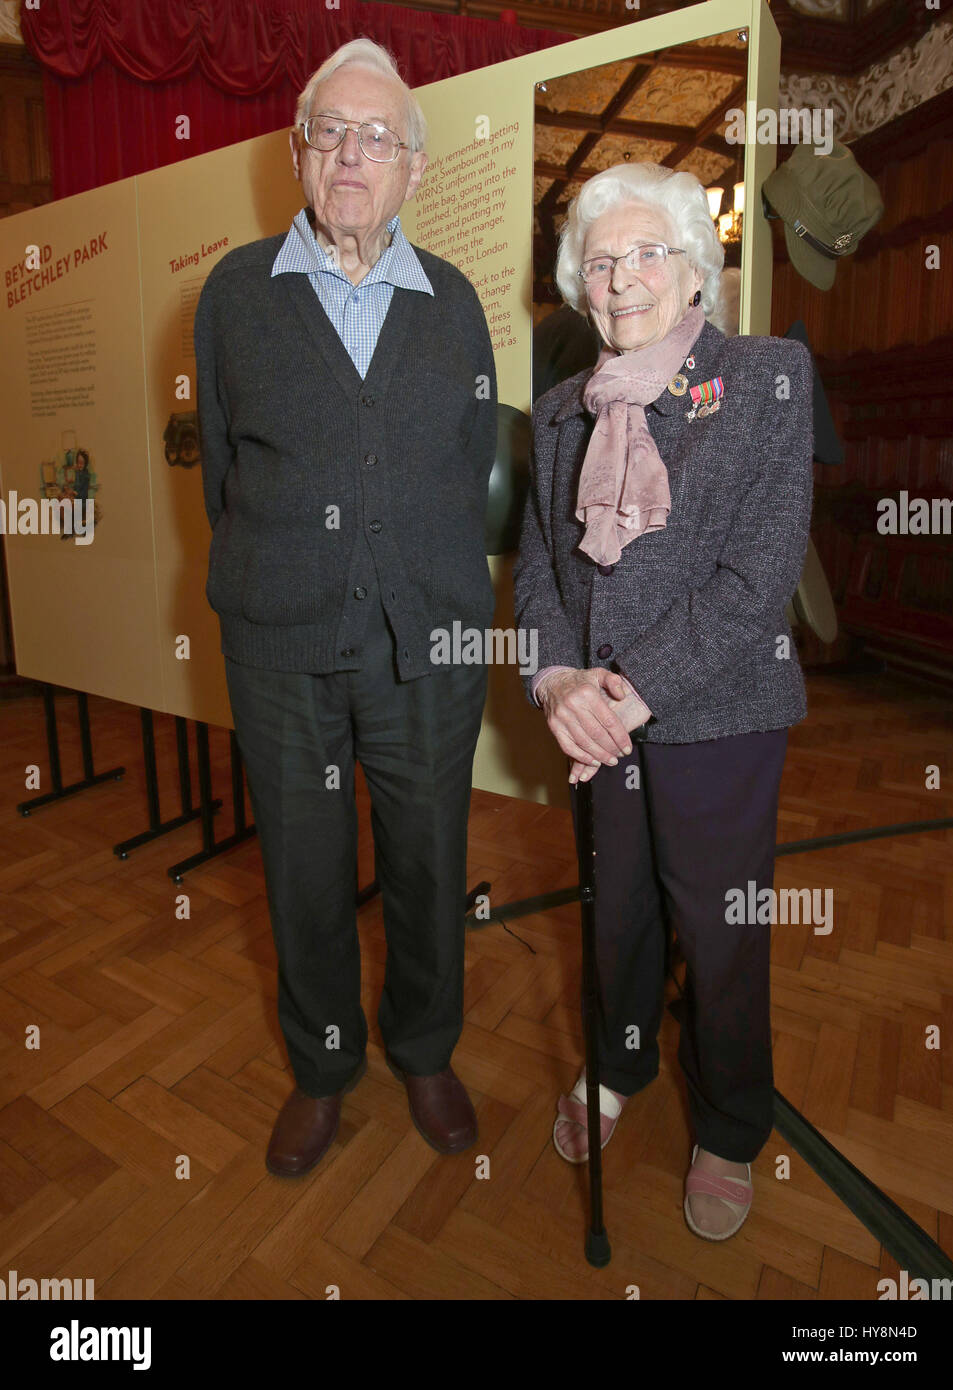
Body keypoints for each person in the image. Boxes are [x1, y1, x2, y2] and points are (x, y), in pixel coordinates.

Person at [194, 38, 497, 1177]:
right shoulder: (232, 295)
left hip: (426, 642)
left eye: (378, 136)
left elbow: (466, 467)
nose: (352, 154)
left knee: (427, 859)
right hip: (280, 646)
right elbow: (224, 472)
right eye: (332, 131)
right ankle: (324, 1066)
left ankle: (423, 1048)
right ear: (297, 152)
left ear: (413, 168)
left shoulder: (456, 306)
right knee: (303, 870)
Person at [514, 162, 813, 1240]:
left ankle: (731, 1122)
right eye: (601, 262)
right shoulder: (557, 415)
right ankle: (617, 1063)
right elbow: (542, 571)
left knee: (721, 933)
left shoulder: (769, 376)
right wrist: (554, 679)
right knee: (618, 910)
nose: (623, 277)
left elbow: (756, 578)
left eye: (647, 254)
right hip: (594, 718)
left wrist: (626, 693)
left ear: (696, 270)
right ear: (580, 288)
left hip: (718, 712)